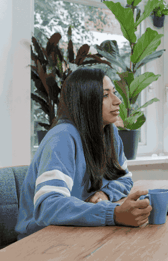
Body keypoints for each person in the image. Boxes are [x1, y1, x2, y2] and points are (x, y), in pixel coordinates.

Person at [16, 68, 152, 240]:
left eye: (115, 93)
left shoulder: (109, 133)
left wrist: (106, 194)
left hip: (79, 232)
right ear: (85, 101)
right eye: (105, 95)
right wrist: (113, 214)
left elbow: (124, 178)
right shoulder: (62, 138)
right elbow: (48, 207)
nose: (117, 101)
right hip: (42, 240)